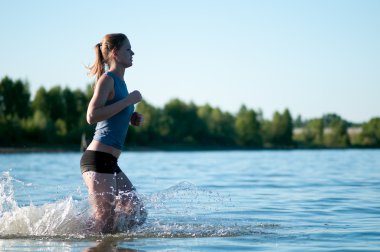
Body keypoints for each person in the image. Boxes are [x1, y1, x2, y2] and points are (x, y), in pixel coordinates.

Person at [80, 33, 146, 233]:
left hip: (110, 161)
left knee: (136, 211)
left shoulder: (121, 83)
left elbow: (111, 114)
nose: (132, 53)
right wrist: (127, 102)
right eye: (128, 49)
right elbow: (92, 116)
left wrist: (131, 118)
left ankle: (88, 236)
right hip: (97, 159)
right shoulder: (107, 80)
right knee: (105, 223)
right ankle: (74, 236)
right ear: (116, 53)